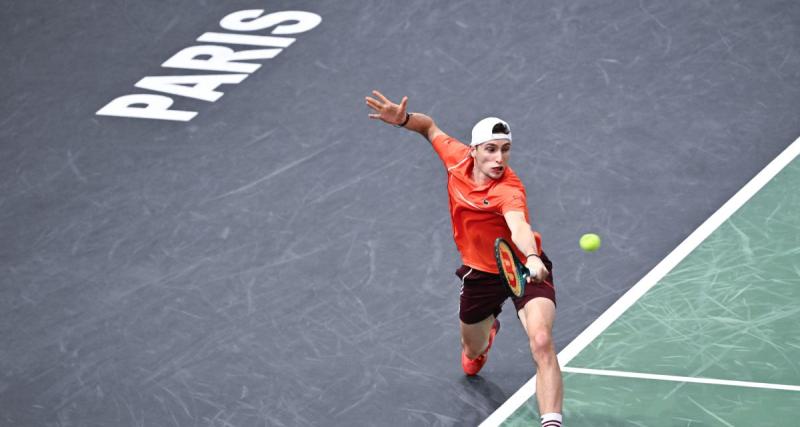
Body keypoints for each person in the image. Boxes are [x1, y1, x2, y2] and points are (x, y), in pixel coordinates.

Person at [365, 90, 564, 427]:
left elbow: (519, 225)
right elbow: (430, 128)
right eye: (491, 149)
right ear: (473, 151)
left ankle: (552, 422)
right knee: (471, 354)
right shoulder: (456, 158)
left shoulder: (509, 190)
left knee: (542, 341)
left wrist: (531, 256)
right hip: (480, 274)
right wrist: (404, 121)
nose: (499, 158)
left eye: (505, 149)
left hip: (525, 269)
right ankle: (488, 334)